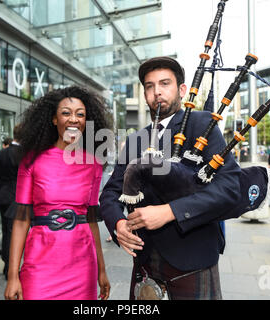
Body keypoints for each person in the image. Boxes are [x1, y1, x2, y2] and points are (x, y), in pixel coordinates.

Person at [99, 56, 241, 300]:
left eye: (165, 83)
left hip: (192, 258)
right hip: (144, 260)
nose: (157, 92)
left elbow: (229, 188)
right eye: (150, 86)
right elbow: (111, 193)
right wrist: (118, 224)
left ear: (182, 90)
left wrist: (170, 211)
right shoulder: (135, 140)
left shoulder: (202, 124)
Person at [4, 86, 111, 300]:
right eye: (66, 113)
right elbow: (21, 220)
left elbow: (92, 221)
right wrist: (12, 275)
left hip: (82, 265)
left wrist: (101, 270)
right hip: (40, 262)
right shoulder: (32, 160)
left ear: (86, 121)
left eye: (80, 114)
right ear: (54, 119)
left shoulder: (93, 164)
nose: (74, 119)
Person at [0, 129, 22, 279]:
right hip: (16, 197)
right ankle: (10, 269)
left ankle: (6, 264)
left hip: (2, 196)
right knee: (13, 233)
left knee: (6, 232)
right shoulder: (22, 154)